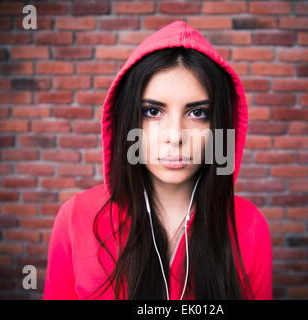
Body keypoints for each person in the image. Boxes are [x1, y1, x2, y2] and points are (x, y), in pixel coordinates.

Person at [43, 20, 272, 300]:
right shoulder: (76, 220)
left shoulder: (249, 226)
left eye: (198, 113)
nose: (175, 136)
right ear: (128, 121)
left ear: (220, 127)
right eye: (152, 111)